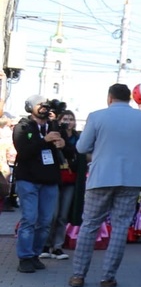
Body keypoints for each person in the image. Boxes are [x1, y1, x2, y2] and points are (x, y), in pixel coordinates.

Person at [69, 85, 141, 287]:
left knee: (90, 225)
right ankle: (107, 277)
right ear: (129, 98)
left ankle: (78, 275)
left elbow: (82, 147)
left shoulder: (96, 116)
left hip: (101, 178)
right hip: (132, 180)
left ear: (109, 98)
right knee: (120, 227)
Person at [13, 95, 66, 273]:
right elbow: (23, 151)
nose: (43, 107)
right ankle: (25, 257)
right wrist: (44, 140)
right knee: (29, 219)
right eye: (39, 104)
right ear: (30, 107)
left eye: (45, 104)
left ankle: (35, 254)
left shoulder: (52, 126)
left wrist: (63, 143)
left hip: (49, 180)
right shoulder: (23, 126)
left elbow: (68, 151)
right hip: (28, 179)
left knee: (45, 221)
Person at [40, 110, 79, 261]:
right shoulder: (55, 133)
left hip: (71, 179)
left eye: (71, 119)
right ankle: (45, 244)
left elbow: (76, 153)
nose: (68, 122)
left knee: (63, 215)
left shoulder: (77, 137)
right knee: (52, 214)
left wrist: (66, 146)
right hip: (55, 178)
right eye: (65, 119)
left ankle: (57, 246)